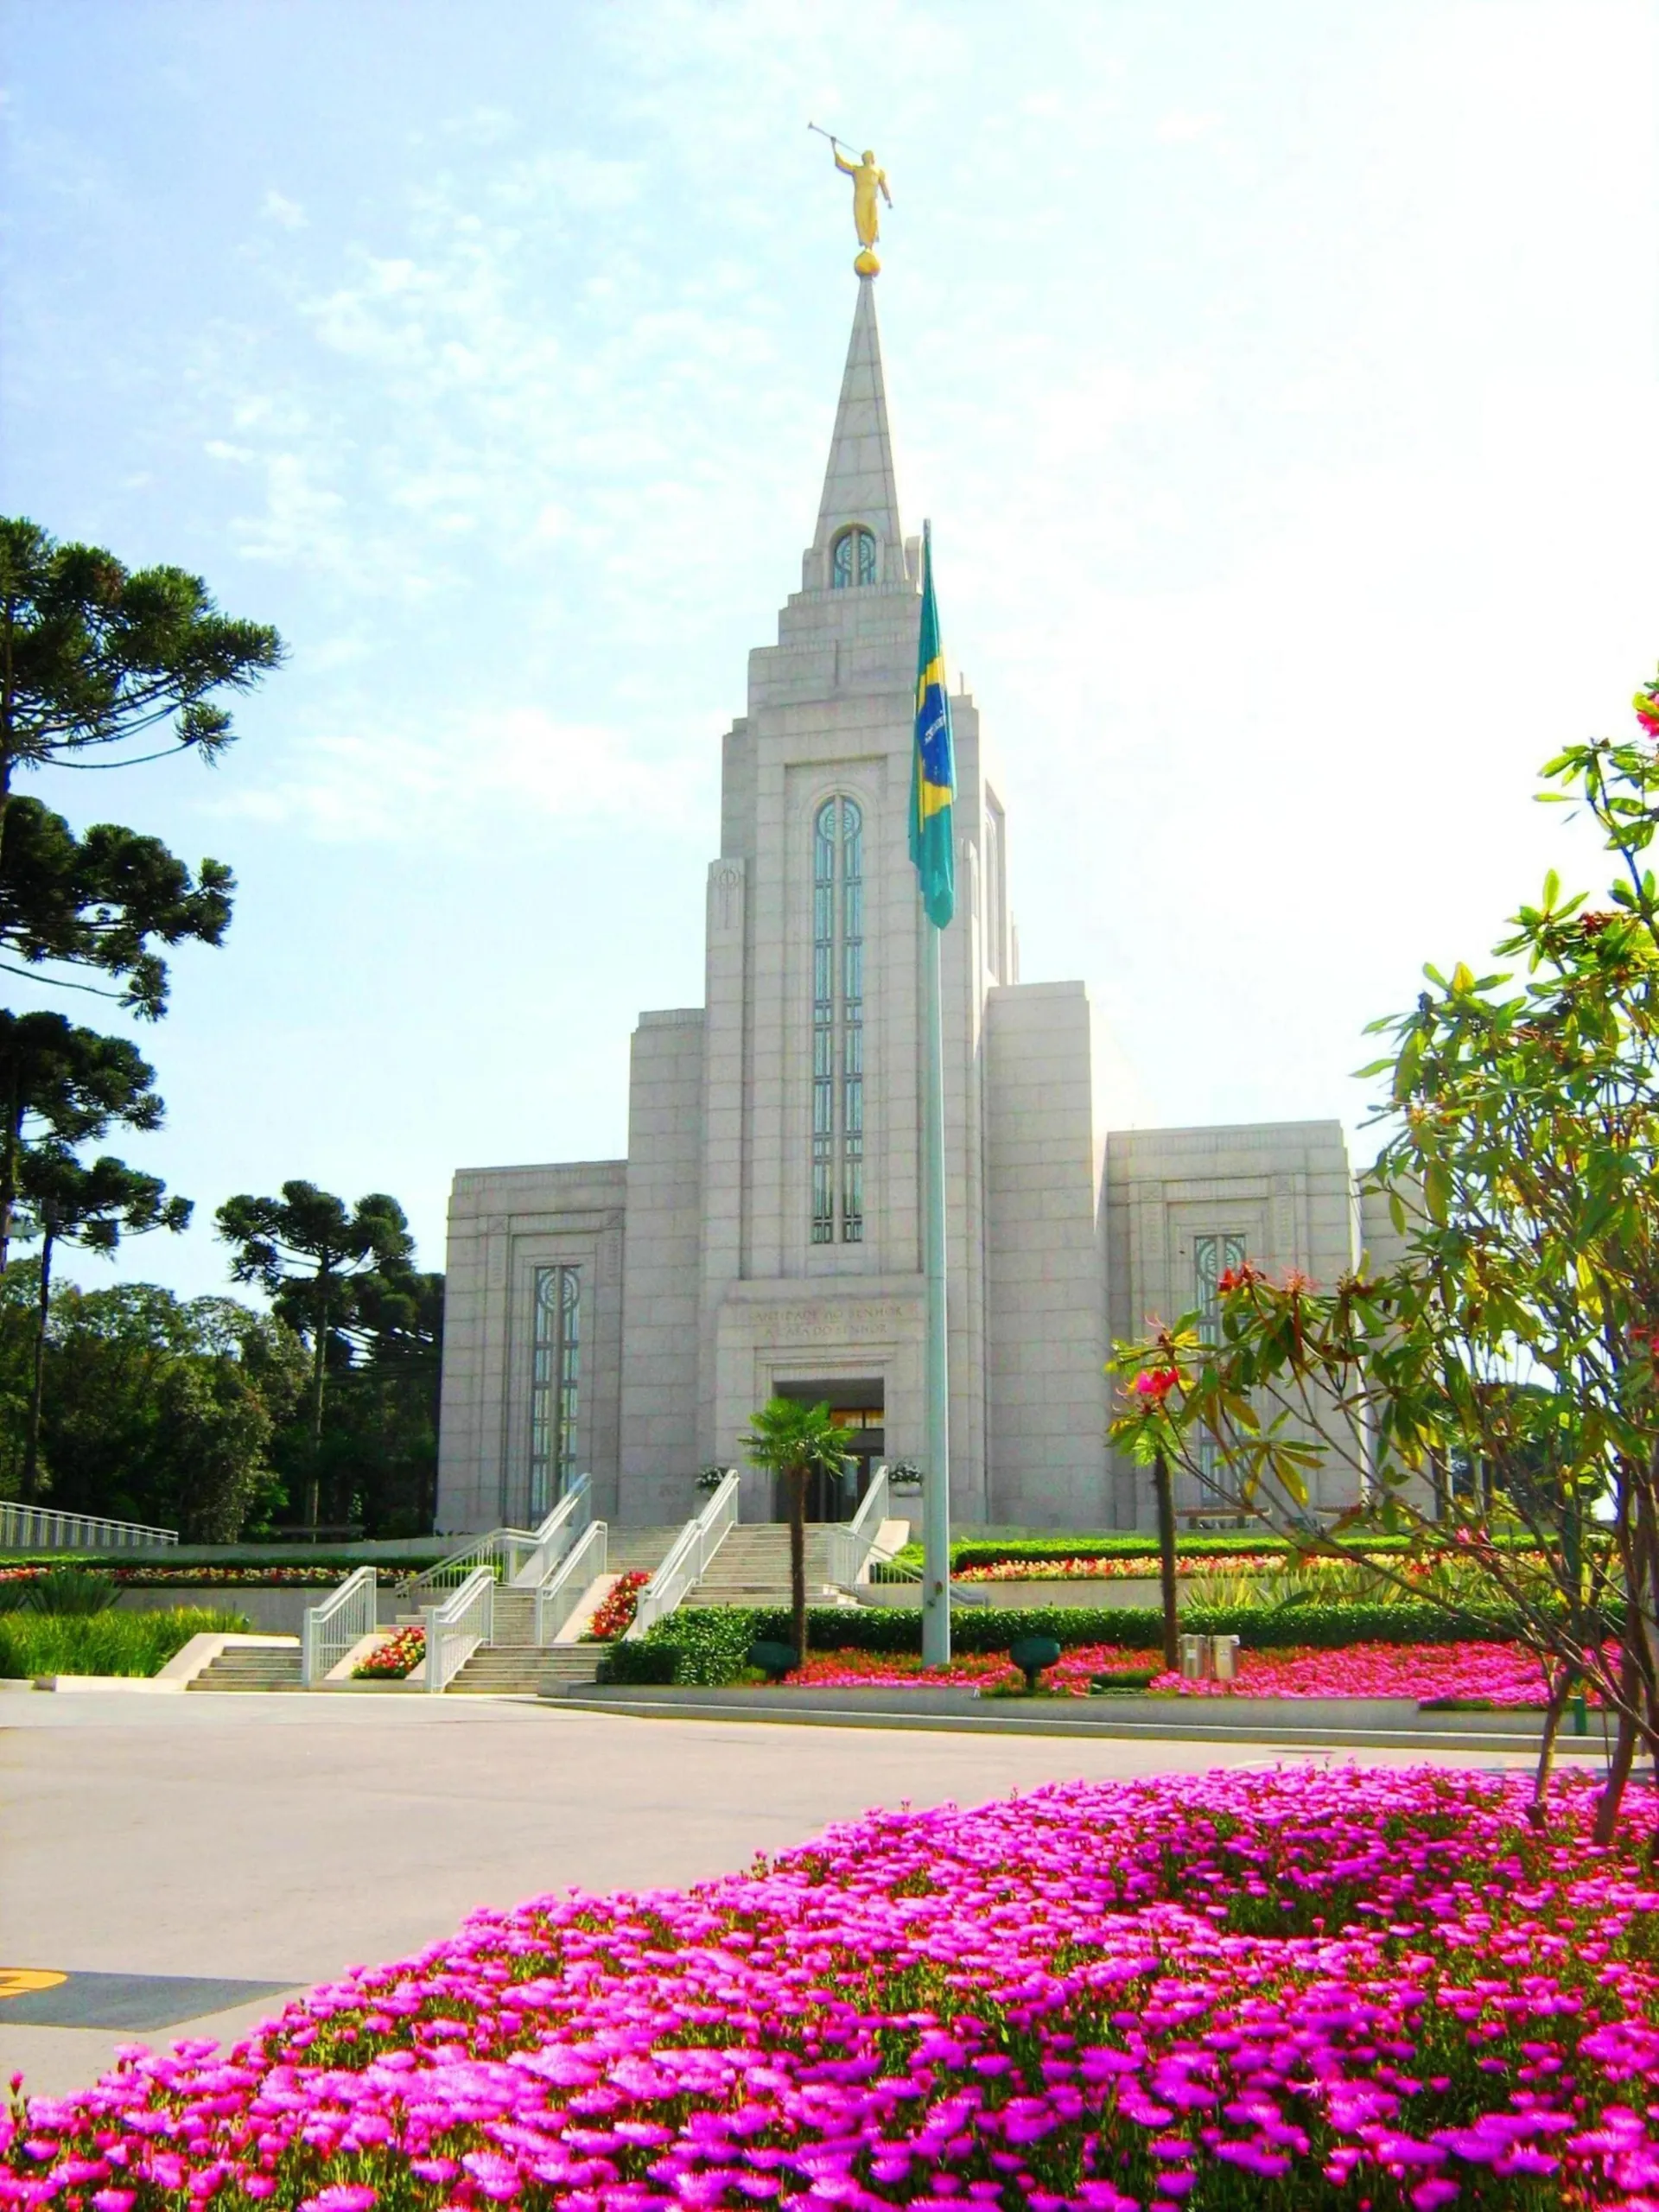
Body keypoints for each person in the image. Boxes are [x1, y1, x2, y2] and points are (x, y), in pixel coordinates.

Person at [834, 146, 892, 252]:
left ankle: (871, 242)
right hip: (860, 198)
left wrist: (888, 199)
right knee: (862, 219)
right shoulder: (857, 170)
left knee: (872, 218)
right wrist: (834, 148)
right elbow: (842, 164)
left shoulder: (878, 171)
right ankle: (866, 243)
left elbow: (883, 185)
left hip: (871, 197)